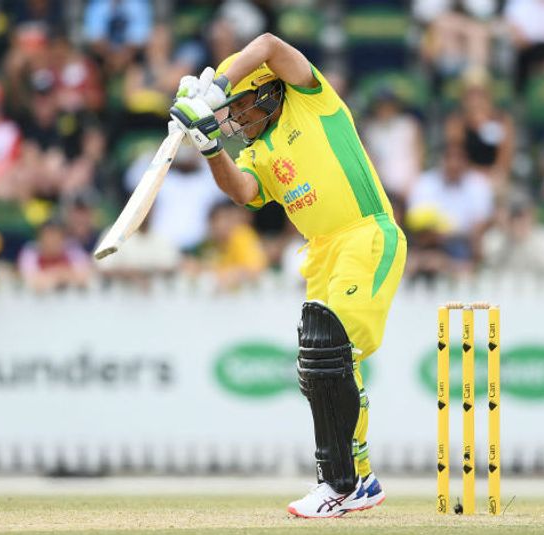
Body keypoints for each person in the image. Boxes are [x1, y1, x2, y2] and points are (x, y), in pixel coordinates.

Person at [168, 33, 407, 517]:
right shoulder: (258, 150)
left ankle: (338, 484)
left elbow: (270, 44)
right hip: (321, 253)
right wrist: (211, 147)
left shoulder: (310, 98)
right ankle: (359, 478)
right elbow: (241, 191)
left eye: (236, 107)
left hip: (365, 235)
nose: (232, 119)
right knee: (324, 369)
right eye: (225, 113)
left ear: (265, 91)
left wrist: (217, 85)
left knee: (330, 354)